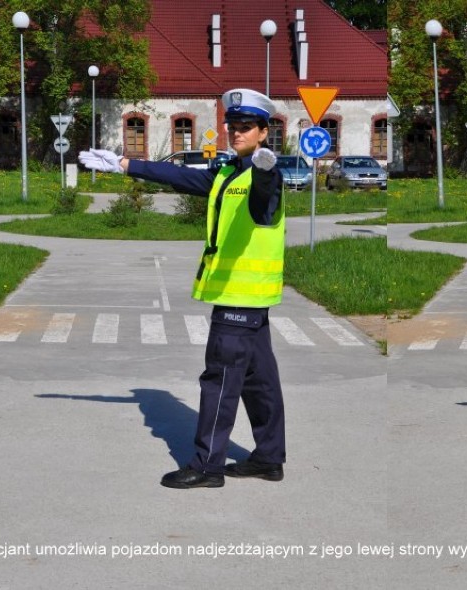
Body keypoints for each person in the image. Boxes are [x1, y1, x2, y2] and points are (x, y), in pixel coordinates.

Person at [79, 88, 287, 489]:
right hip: (252, 300)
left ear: (264, 132)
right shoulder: (228, 173)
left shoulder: (265, 176)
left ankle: (207, 466)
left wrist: (265, 171)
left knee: (220, 381)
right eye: (233, 126)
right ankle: (268, 458)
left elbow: (265, 196)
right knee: (259, 381)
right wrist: (126, 165)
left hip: (238, 298)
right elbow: (181, 176)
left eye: (246, 127)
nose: (237, 132)